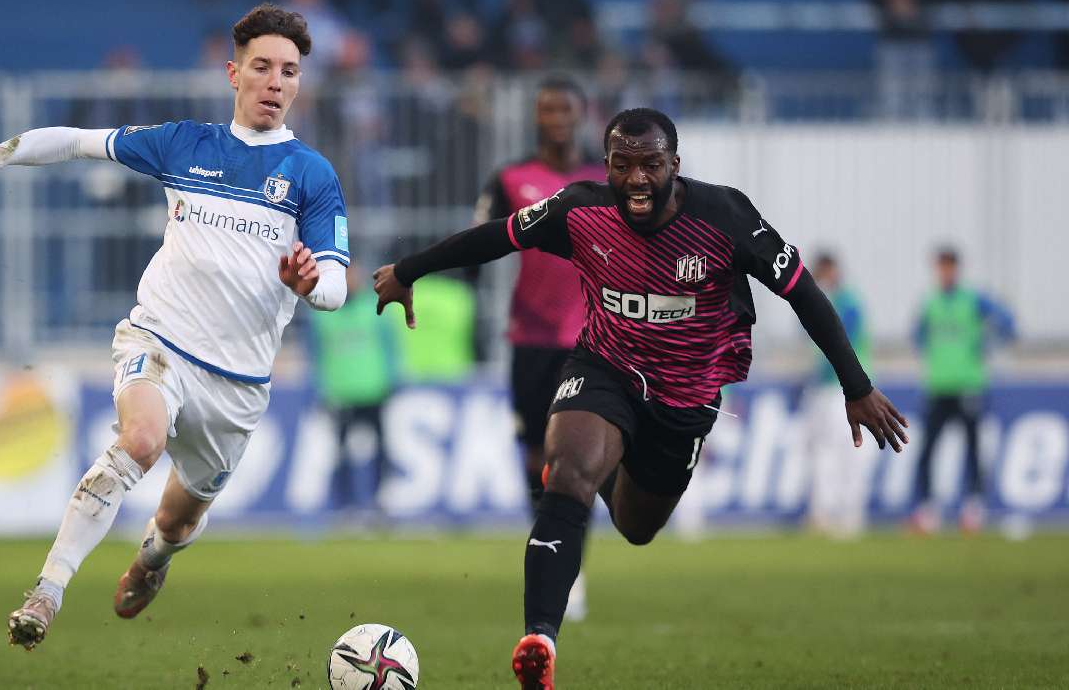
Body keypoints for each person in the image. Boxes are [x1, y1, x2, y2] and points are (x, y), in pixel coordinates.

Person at [373, 108, 908, 690]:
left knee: (635, 525)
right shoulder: (580, 209)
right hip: (606, 367)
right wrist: (409, 270)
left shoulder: (726, 216)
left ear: (674, 165)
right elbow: (497, 236)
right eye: (622, 165)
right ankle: (540, 641)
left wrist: (856, 387)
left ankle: (608, 461)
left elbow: (802, 291)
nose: (636, 178)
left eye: (650, 165)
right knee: (567, 475)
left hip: (686, 395)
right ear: (606, 165)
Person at [0, 3, 351, 650]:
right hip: (161, 340)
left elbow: (336, 285)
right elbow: (76, 141)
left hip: (238, 384)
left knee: (180, 519)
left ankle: (154, 554)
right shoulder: (183, 143)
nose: (276, 82)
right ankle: (48, 590)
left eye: (290, 71)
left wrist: (308, 283)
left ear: (300, 82)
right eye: (263, 67)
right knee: (141, 439)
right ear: (232, 73)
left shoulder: (311, 176)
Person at [474, 76, 604, 623]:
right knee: (536, 459)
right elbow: (480, 240)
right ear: (536, 116)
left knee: (577, 461)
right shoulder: (510, 178)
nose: (554, 116)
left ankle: (573, 572)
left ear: (581, 113)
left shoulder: (606, 177)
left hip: (594, 340)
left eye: (563, 108)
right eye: (545, 108)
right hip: (529, 339)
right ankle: (549, 558)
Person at [910, 247, 1015, 534]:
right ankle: (928, 509)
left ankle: (974, 507)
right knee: (929, 448)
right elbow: (917, 337)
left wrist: (986, 345)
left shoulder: (973, 299)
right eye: (941, 267)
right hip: (938, 385)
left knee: (973, 448)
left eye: (949, 267)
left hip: (969, 384)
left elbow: (1009, 322)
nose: (945, 273)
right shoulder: (930, 302)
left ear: (957, 268)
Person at [309, 265, 394, 513]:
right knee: (340, 452)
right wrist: (321, 388)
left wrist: (392, 379)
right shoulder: (322, 314)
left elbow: (390, 346)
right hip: (340, 392)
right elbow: (316, 354)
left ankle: (378, 501)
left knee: (380, 449)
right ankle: (345, 505)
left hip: (373, 389)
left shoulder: (374, 306)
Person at [803, 252, 873, 539]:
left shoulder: (848, 303)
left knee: (848, 451)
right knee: (823, 452)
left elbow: (843, 345)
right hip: (823, 388)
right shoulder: (821, 301)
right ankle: (824, 512)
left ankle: (849, 513)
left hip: (844, 389)